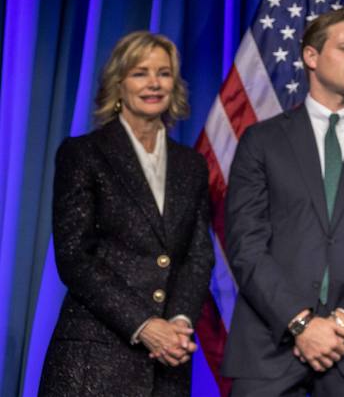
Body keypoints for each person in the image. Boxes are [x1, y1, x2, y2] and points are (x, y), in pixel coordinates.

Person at [222, 8, 344, 396]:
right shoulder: (261, 142)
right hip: (269, 349)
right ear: (311, 56)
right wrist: (300, 323)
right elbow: (246, 245)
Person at [38, 30, 213, 397]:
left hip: (167, 364)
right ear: (118, 84)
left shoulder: (192, 165)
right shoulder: (83, 154)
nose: (154, 83)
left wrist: (178, 322)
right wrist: (144, 324)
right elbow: (74, 256)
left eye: (163, 73)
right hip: (95, 359)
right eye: (140, 73)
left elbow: (198, 256)